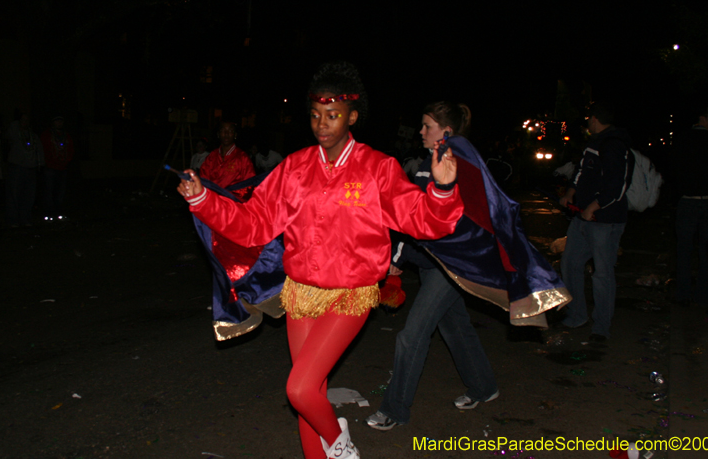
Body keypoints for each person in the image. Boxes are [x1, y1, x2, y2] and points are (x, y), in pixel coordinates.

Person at [177, 61, 463, 459]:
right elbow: (254, 225)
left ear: (352, 117)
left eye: (332, 116)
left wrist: (444, 189)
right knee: (310, 393)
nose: (321, 124)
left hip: (350, 295)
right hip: (301, 295)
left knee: (298, 388)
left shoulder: (377, 168)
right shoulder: (293, 167)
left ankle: (341, 446)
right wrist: (203, 200)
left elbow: (423, 219)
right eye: (315, 116)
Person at [366, 101, 499, 431]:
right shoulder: (432, 161)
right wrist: (399, 258)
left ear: (447, 132)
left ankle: (394, 410)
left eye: (428, 126)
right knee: (455, 327)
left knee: (411, 336)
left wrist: (401, 257)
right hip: (432, 262)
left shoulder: (455, 165)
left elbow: (452, 223)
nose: (421, 131)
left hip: (448, 266)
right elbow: (414, 218)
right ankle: (485, 387)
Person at [558, 102, 633, 342]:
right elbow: (581, 171)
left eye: (588, 119)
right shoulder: (595, 143)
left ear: (594, 119)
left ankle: (601, 327)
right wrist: (571, 192)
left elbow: (617, 185)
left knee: (602, 274)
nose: (587, 123)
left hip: (605, 221)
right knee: (570, 263)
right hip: (582, 217)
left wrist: (594, 206)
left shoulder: (614, 144)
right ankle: (576, 314)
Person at [672, 103, 708, 307]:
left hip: (690, 200)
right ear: (702, 118)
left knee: (685, 250)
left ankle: (684, 294)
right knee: (705, 251)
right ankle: (702, 296)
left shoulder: (684, 140)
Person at [199, 121, 256, 199]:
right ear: (218, 134)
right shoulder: (211, 157)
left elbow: (250, 184)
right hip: (213, 202)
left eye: (230, 131)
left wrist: (233, 198)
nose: (226, 133)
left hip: (233, 205)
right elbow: (203, 181)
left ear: (235, 135)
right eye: (223, 130)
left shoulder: (243, 158)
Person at [5, 112, 43, 227]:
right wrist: (16, 122)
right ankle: (13, 220)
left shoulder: (33, 136)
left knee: (29, 196)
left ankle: (25, 219)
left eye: (27, 120)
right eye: (22, 120)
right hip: (17, 167)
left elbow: (39, 150)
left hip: (30, 168)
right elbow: (8, 135)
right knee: (14, 194)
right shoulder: (15, 133)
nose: (25, 122)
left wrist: (40, 163)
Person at [40, 115, 75, 220]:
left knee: (60, 192)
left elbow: (71, 149)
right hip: (50, 167)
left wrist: (66, 160)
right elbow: (43, 149)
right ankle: (48, 213)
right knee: (49, 191)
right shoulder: (47, 135)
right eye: (57, 121)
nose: (59, 123)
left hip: (62, 168)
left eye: (61, 121)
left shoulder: (66, 136)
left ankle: (58, 212)